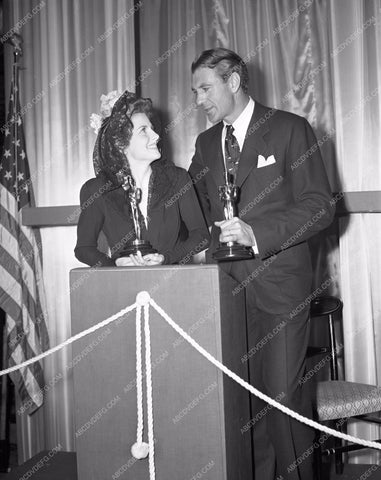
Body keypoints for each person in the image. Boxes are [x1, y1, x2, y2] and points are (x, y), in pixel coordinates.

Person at [189, 48, 335, 480]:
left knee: (282, 402)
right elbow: (192, 211)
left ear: (233, 82)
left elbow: (320, 207)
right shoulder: (204, 144)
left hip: (280, 291)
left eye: (205, 88)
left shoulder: (290, 129)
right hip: (228, 294)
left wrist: (259, 234)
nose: (199, 100)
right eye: (195, 91)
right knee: (243, 406)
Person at [75, 90, 209, 267]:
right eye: (144, 131)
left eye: (152, 128)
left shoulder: (178, 179)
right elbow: (84, 248)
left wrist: (166, 258)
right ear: (121, 143)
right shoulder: (96, 190)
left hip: (174, 283)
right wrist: (115, 265)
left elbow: (201, 236)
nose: (156, 136)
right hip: (124, 288)